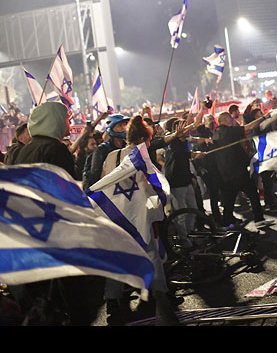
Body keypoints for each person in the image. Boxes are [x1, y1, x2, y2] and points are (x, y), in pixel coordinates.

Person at [11, 102, 104, 324]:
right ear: (53, 121)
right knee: (75, 287)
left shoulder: (28, 149)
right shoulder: (55, 149)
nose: (68, 123)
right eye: (65, 119)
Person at [100, 115, 179, 325]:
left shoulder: (112, 156)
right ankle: (161, 293)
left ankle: (113, 300)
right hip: (138, 216)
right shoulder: (141, 157)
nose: (151, 143)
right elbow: (152, 185)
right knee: (151, 254)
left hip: (117, 215)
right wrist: (163, 199)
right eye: (150, 139)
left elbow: (103, 182)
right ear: (144, 139)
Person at [213, 111, 275, 228]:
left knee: (229, 199)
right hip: (238, 171)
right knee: (252, 194)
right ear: (225, 120)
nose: (232, 119)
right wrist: (264, 117)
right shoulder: (230, 131)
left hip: (225, 173)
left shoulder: (215, 134)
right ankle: (259, 219)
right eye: (230, 118)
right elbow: (249, 127)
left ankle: (226, 223)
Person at [83, 113, 129, 189]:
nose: (124, 128)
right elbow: (95, 175)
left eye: (125, 125)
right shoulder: (102, 149)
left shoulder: (127, 147)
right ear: (111, 127)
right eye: (120, 125)